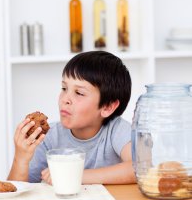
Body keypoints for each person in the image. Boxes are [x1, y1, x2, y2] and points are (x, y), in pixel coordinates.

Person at [8, 51, 135, 184]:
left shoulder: (116, 130)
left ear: (107, 107)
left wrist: (75, 175)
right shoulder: (48, 137)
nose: (65, 99)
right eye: (64, 88)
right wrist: (20, 158)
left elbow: (140, 168)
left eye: (79, 93)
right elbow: (16, 192)